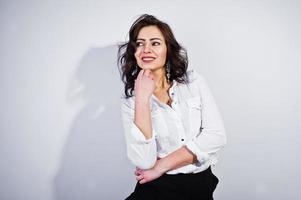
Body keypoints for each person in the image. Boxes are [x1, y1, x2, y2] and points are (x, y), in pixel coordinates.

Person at [117, 14, 226, 200]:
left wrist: (161, 166)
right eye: (140, 43)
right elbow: (143, 161)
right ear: (133, 52)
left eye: (155, 43)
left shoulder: (193, 82)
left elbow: (216, 137)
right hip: (157, 190)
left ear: (168, 49)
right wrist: (142, 100)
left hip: (201, 186)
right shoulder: (131, 102)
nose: (146, 49)